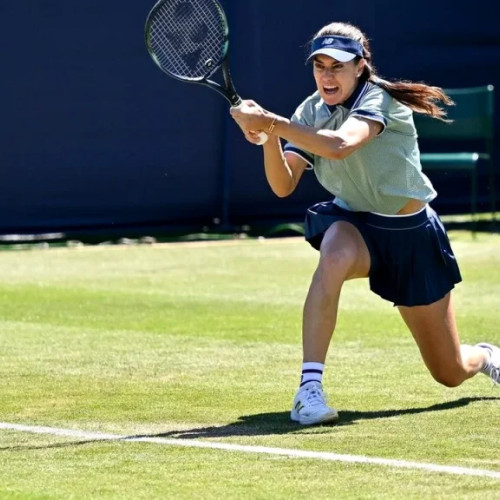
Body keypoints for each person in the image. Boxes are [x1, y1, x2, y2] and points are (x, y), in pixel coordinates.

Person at [230, 21, 500, 425]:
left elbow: (340, 146)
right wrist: (268, 138)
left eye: (337, 65)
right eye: (319, 65)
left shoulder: (381, 100)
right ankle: (309, 389)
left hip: (412, 237)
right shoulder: (310, 111)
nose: (327, 74)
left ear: (360, 67)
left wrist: (270, 122)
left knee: (450, 372)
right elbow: (283, 185)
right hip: (357, 226)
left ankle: (487, 356)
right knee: (334, 253)